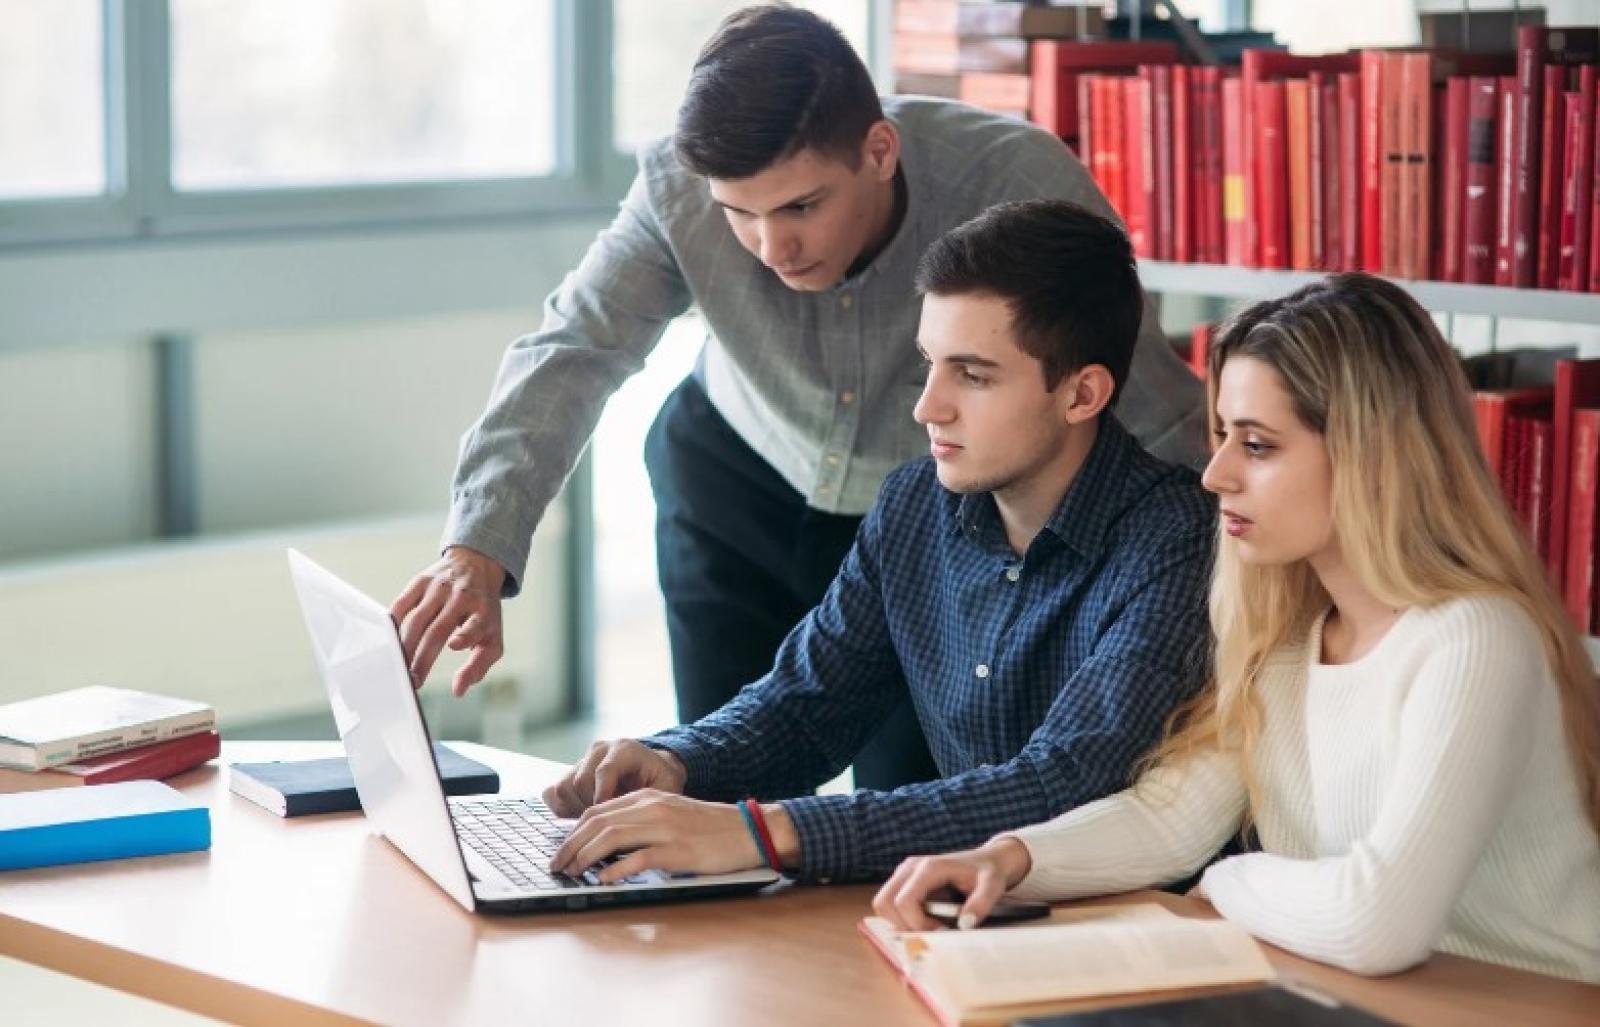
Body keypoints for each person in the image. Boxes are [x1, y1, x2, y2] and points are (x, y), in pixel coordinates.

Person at [388, 3, 1206, 792]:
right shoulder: (678, 186)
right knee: (706, 779)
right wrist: (478, 548)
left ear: (879, 150)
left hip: (922, 523)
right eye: (738, 215)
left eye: (802, 206)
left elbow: (1140, 394)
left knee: (909, 806)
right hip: (734, 486)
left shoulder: (1016, 182)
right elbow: (574, 346)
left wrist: (1235, 569)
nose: (771, 247)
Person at [872, 273, 1600, 985]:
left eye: (1256, 445)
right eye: (1220, 436)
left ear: (1369, 455)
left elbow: (1377, 923)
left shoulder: (1474, 639)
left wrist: (1227, 880)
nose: (1214, 473)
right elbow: (1171, 817)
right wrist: (1006, 859)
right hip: (1377, 1003)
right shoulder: (1289, 637)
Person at [536, 198, 1215, 887]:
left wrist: (763, 833)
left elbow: (1058, 787)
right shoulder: (914, 506)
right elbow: (807, 705)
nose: (928, 406)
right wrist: (676, 761)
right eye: (930, 365)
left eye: (973, 375)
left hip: (1127, 933)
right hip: (966, 917)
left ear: (1082, 394)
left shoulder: (1179, 543)